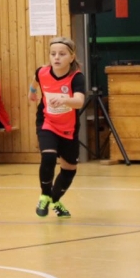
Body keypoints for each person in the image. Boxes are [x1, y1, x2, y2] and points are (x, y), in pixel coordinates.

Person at [30, 38, 87, 219]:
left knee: (69, 170)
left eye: (62, 54)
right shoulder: (42, 72)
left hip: (68, 127)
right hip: (47, 122)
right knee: (48, 156)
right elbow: (35, 81)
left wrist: (64, 100)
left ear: (71, 57)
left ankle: (54, 200)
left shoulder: (76, 77)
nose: (56, 57)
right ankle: (44, 195)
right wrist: (32, 92)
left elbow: (79, 102)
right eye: (53, 54)